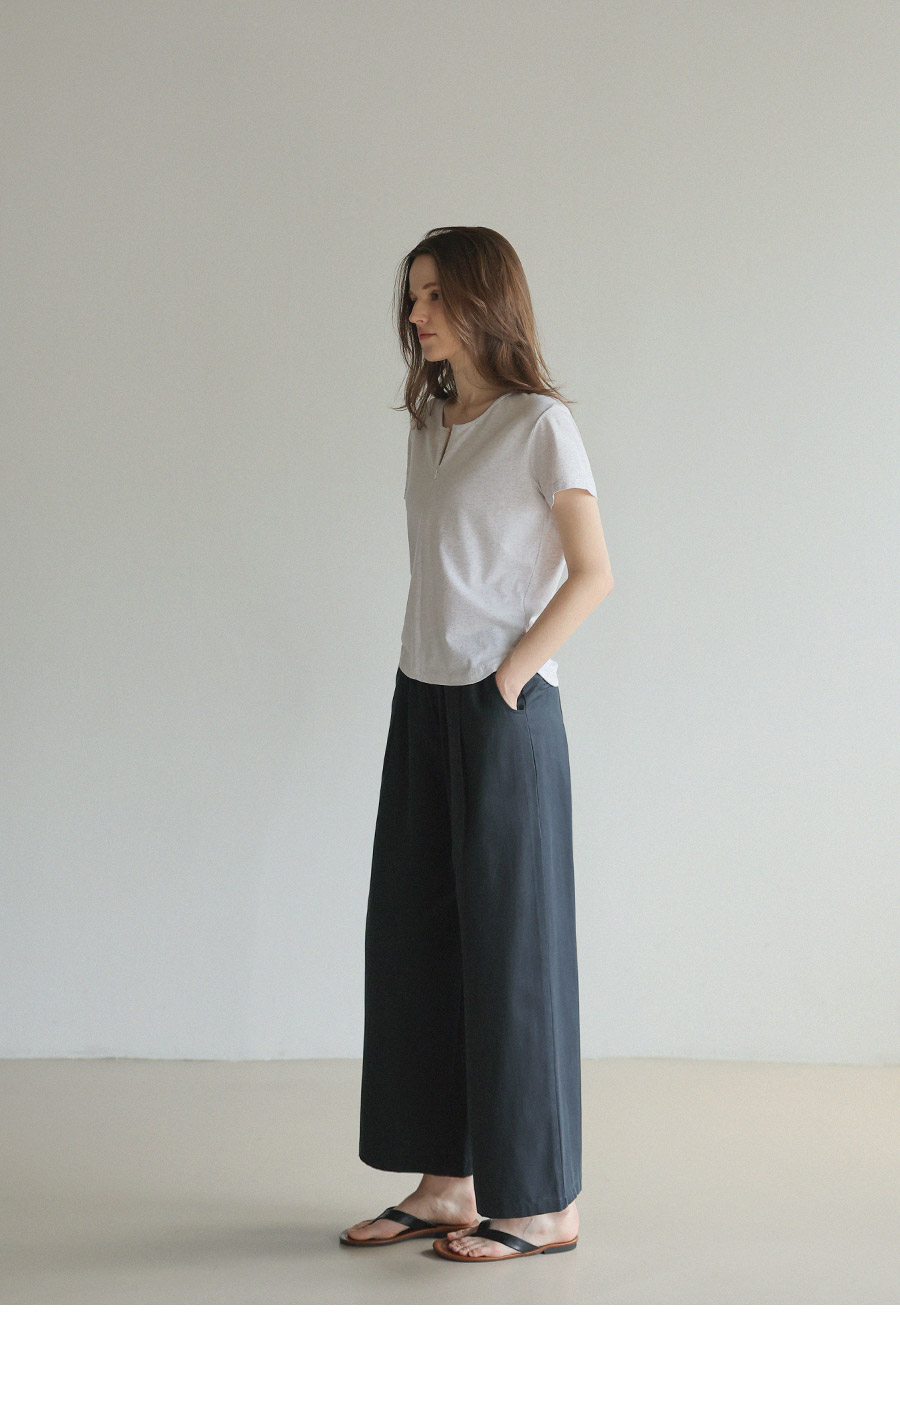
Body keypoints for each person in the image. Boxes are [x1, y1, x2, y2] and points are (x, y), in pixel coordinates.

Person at [340, 226, 614, 1262]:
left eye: (434, 296)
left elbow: (593, 571)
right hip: (421, 698)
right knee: (417, 942)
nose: (415, 315)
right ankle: (446, 1183)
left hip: (504, 713)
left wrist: (509, 680)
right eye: (411, 297)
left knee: (515, 953)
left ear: (485, 302)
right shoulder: (432, 422)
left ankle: (543, 1202)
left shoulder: (541, 426)